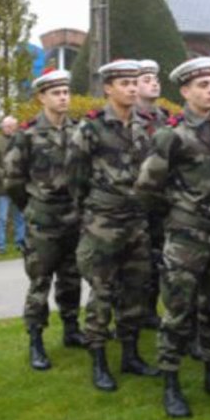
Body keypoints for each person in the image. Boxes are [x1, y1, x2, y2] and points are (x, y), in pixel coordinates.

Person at [136, 57, 210, 418]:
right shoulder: (172, 134)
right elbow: (148, 186)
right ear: (184, 91)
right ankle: (171, 383)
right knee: (178, 312)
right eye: (202, 85)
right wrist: (176, 214)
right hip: (185, 236)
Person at [71, 59, 158, 391]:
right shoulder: (90, 129)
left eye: (135, 82)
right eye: (124, 83)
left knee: (136, 288)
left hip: (136, 221)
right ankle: (98, 360)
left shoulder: (143, 126)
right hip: (103, 223)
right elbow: (75, 177)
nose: (132, 88)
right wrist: (91, 213)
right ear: (108, 88)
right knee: (103, 293)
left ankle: (131, 354)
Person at [4, 69, 84, 371]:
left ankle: (72, 329)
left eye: (66, 92)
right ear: (41, 97)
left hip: (72, 218)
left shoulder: (78, 130)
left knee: (71, 277)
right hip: (43, 220)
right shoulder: (27, 135)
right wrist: (33, 206)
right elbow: (12, 181)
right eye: (56, 93)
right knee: (40, 282)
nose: (63, 97)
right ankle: (36, 340)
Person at [135, 59, 170, 330]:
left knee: (158, 259)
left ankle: (149, 310)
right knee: (134, 264)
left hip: (161, 204)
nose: (154, 83)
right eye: (146, 79)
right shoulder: (125, 119)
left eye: (155, 79)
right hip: (134, 204)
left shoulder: (166, 118)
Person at [0, 116, 26, 255]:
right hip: (3, 187)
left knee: (20, 217)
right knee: (2, 218)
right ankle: (0, 245)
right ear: (2, 127)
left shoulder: (21, 141)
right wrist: (5, 175)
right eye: (7, 126)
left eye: (12, 126)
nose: (10, 129)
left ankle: (20, 242)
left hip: (18, 186)